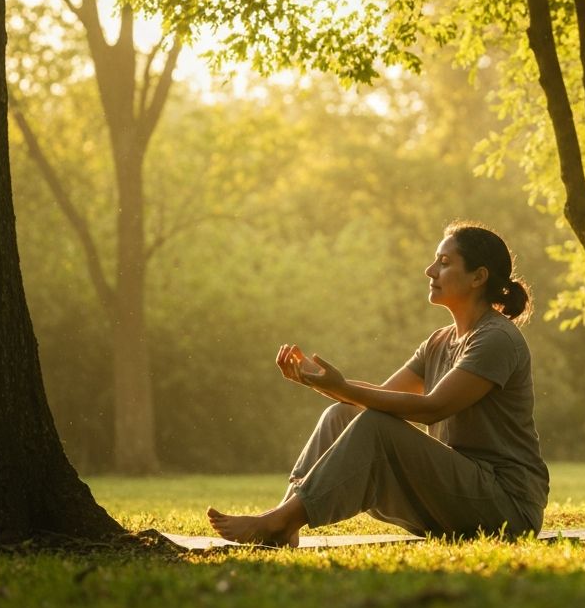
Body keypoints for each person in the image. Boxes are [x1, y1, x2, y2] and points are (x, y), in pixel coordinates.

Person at [207, 221, 549, 545]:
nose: (430, 271)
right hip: (457, 497)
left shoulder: (496, 339)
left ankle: (279, 521)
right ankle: (284, 524)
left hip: (507, 507)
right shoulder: (438, 342)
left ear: (478, 277)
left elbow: (433, 409)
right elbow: (384, 396)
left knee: (372, 424)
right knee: (341, 415)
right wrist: (319, 382)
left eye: (444, 262)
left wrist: (340, 386)